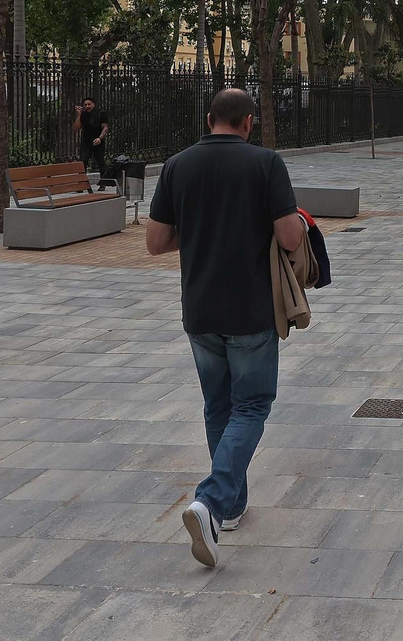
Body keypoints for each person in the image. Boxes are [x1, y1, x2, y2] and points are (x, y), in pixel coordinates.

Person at [146, 88, 305, 568]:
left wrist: (200, 231)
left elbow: (156, 242)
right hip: (251, 309)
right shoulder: (265, 164)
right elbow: (289, 236)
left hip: (199, 309)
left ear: (209, 118)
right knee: (252, 404)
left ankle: (231, 508)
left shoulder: (178, 165)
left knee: (218, 404)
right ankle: (213, 500)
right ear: (249, 123)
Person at [73, 97, 110, 175]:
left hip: (98, 141)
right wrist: (79, 115)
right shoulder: (83, 114)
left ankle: (103, 183)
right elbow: (76, 128)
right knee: (83, 162)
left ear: (93, 104)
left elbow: (105, 128)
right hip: (86, 142)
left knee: (101, 163)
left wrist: (100, 138)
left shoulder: (101, 113)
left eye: (89, 104)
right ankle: (83, 182)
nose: (87, 106)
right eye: (85, 105)